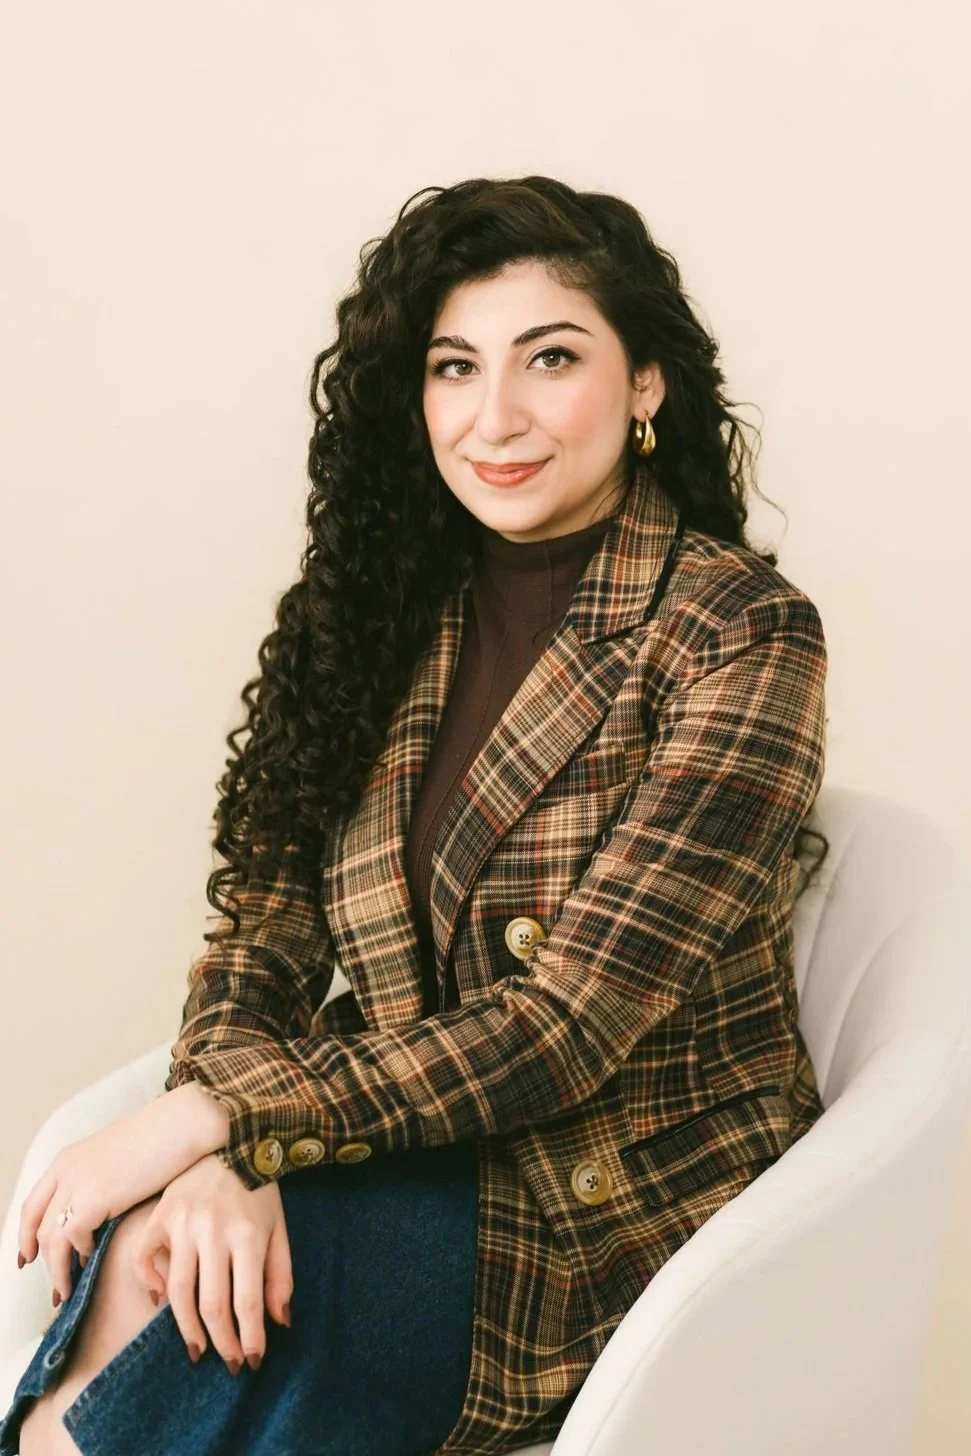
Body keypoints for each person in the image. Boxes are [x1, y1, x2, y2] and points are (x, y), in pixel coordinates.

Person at [2, 174, 830, 1456]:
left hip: (612, 1198)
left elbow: (565, 1025)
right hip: (393, 1144)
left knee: (244, 1304)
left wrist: (222, 1118)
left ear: (645, 385)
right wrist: (221, 1155)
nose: (493, 416)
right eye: (454, 368)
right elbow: (264, 935)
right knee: (161, 1248)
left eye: (549, 358)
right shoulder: (387, 614)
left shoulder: (740, 631)